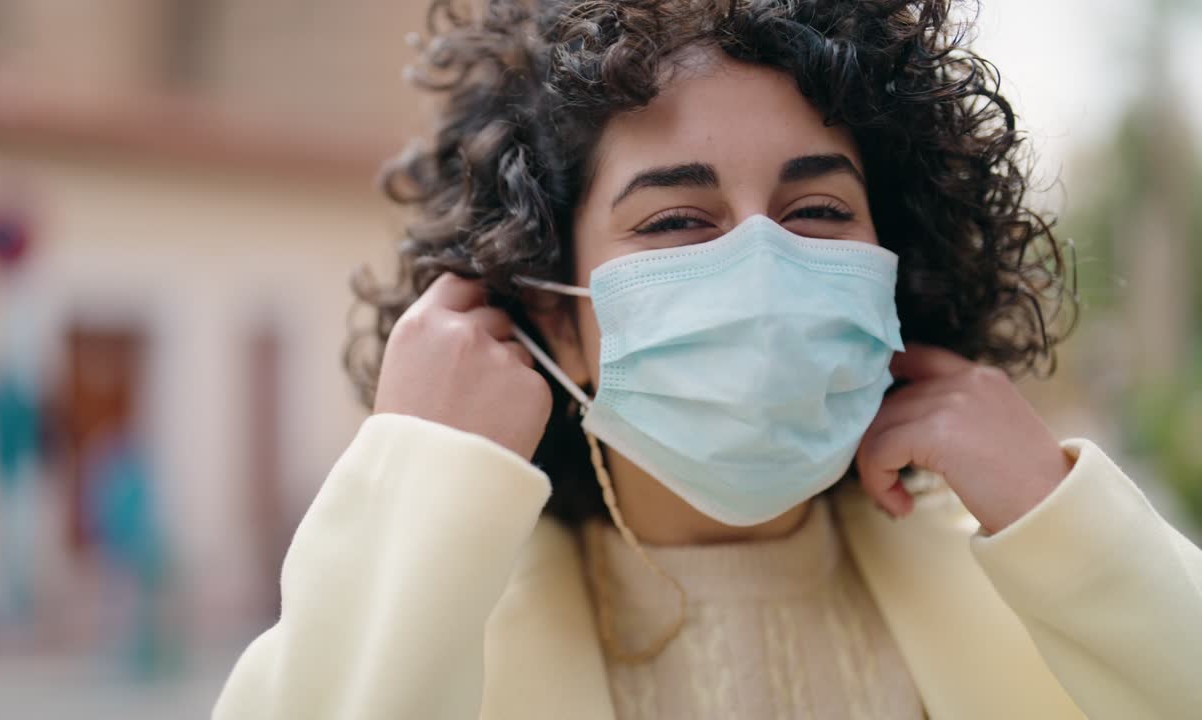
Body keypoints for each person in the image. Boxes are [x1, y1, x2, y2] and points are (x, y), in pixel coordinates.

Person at [214, 1, 1202, 718]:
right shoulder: (445, 622)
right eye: (677, 220)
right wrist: (419, 478)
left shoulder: (1034, 586)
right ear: (554, 311)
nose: (762, 263)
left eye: (817, 210)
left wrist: (1054, 514)